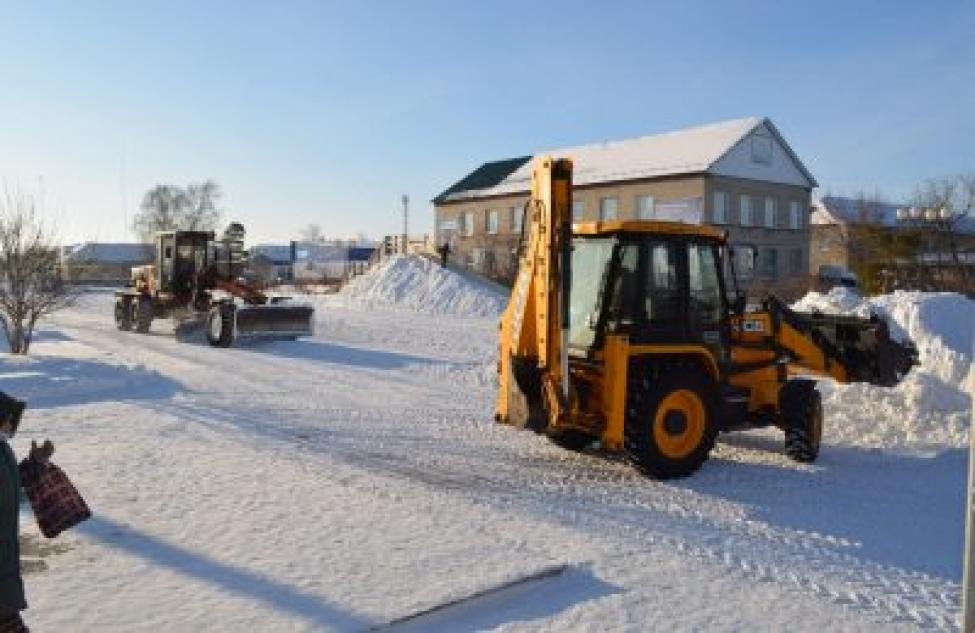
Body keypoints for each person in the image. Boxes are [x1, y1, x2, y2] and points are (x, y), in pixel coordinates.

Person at [0, 392, 51, 633]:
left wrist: (34, 465)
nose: (12, 425)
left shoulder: (3, 451)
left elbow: (11, 491)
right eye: (9, 419)